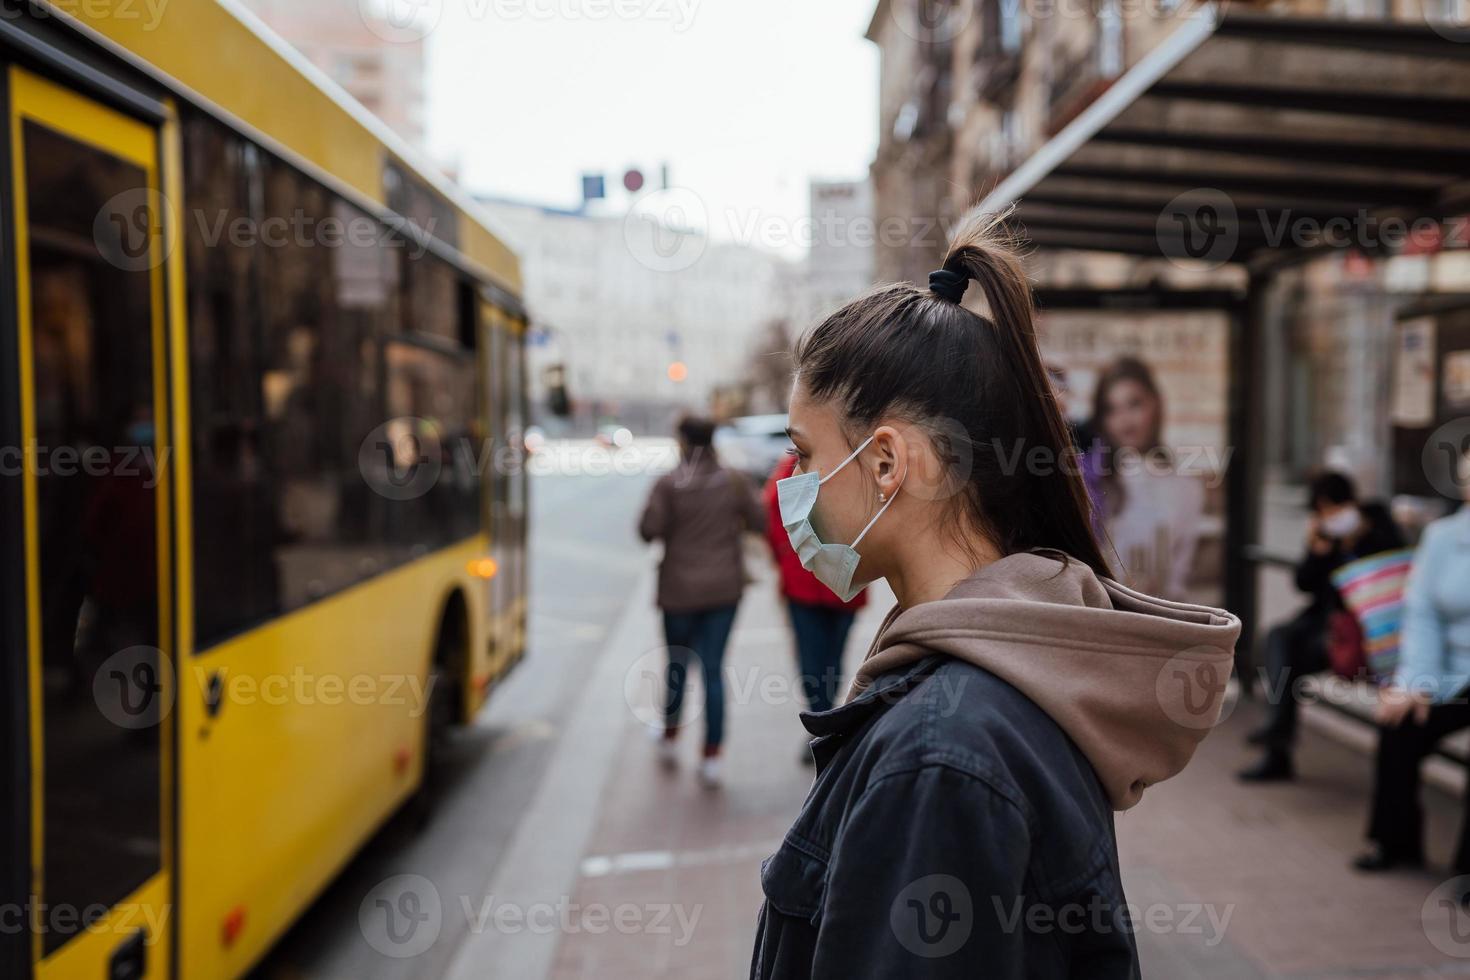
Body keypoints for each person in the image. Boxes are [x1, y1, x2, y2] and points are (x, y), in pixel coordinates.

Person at [750, 213, 1240, 978]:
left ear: (886, 463)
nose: (791, 489)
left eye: (804, 454)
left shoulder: (939, 756)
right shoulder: (1016, 673)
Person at [1238, 472, 1404, 782]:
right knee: (1279, 640)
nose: (1327, 517)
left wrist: (1359, 539)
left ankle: (1277, 739)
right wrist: (1317, 553)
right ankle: (1277, 742)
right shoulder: (1326, 537)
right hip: (1327, 626)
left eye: (1332, 508)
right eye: (1320, 511)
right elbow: (1304, 583)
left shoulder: (1378, 525)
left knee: (1287, 656)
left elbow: (1393, 566)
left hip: (1368, 630)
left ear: (1350, 504)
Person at [1354, 449, 1470, 875]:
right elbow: (1421, 614)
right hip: (1449, 670)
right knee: (1399, 723)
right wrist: (1416, 683)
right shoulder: (1443, 536)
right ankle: (1394, 841)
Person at [639, 415, 763, 787]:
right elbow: (760, 521)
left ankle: (671, 732)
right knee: (713, 670)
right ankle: (711, 755)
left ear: (681, 442)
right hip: (724, 591)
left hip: (678, 591)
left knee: (677, 664)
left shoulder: (669, 482)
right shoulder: (735, 481)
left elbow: (648, 530)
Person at [763, 452, 866, 764]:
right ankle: (824, 721)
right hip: (814, 584)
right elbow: (773, 510)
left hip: (828, 584)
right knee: (820, 658)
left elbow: (772, 511)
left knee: (822, 657)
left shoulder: (846, 462)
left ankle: (825, 720)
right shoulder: (798, 466)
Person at [1084, 356, 1204, 602]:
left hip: (1160, 616)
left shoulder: (1186, 488)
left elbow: (1179, 575)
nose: (1125, 420)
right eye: (1111, 409)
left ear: (1156, 404)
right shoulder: (1092, 483)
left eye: (1135, 404)